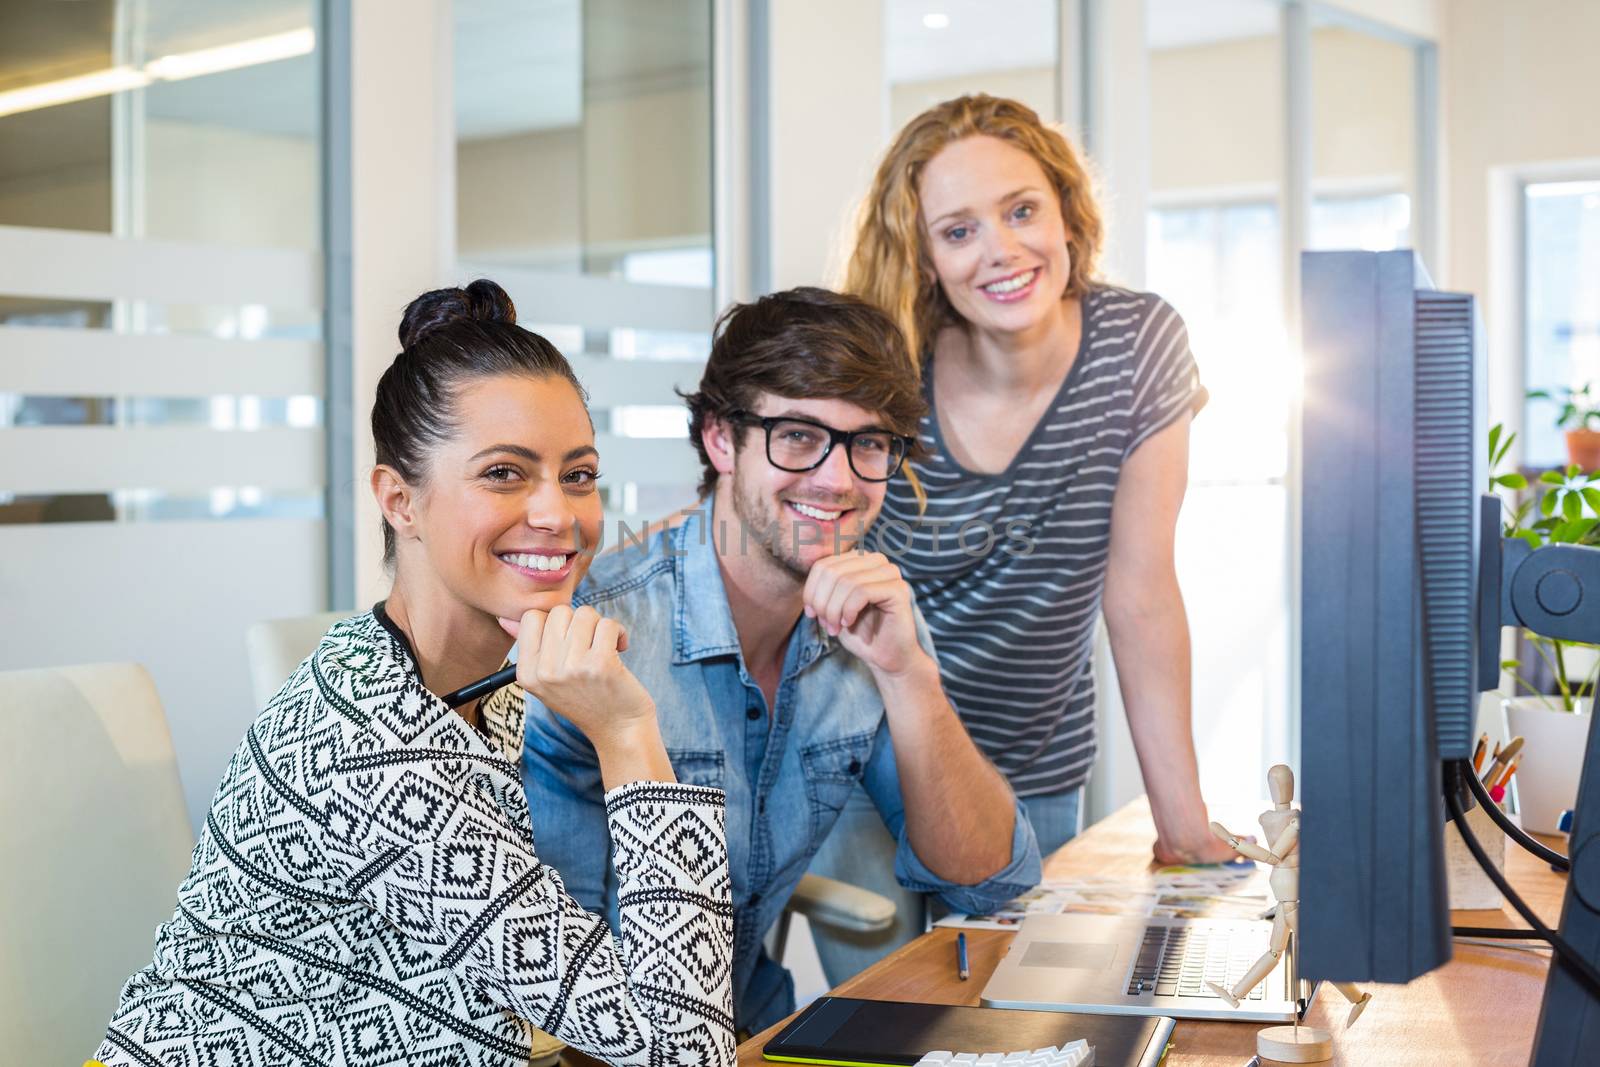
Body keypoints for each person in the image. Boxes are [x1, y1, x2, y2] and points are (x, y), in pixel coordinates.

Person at [93, 280, 737, 1067]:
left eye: (578, 474)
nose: (558, 514)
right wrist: (628, 730)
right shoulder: (376, 745)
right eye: (504, 472)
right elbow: (688, 1051)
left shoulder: (464, 674)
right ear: (399, 498)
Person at [520, 286, 1040, 1034]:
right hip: (620, 1041)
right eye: (797, 434)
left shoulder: (875, 615)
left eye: (869, 443)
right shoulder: (599, 630)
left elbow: (991, 880)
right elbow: (553, 978)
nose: (837, 479)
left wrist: (908, 674)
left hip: (753, 1019)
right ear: (721, 441)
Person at [807, 93, 1236, 983]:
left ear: (1068, 214)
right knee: (890, 1021)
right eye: (958, 231)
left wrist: (1182, 822)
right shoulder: (889, 373)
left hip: (1031, 767)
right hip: (859, 756)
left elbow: (1142, 591)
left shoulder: (1139, 344)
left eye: (1021, 210)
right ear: (924, 258)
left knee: (1025, 1021)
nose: (1002, 249)